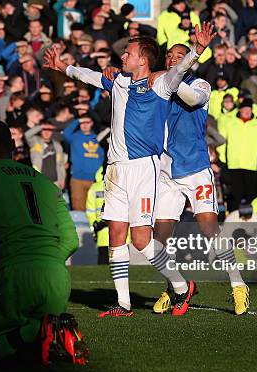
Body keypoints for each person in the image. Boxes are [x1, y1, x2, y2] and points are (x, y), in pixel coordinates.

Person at [43, 23, 215, 317]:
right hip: (115, 169)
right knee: (115, 234)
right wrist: (64, 67)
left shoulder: (160, 84)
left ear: (143, 60)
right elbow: (90, 76)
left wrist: (197, 50)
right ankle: (123, 303)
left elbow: (178, 72)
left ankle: (180, 286)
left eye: (129, 52)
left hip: (143, 169)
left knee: (140, 240)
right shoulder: (119, 81)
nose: (123, 56)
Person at [0, 121, 87, 365]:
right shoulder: (46, 183)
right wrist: (45, 263)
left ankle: (35, 330)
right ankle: (45, 327)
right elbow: (71, 240)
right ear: (14, 145)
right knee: (26, 346)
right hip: (57, 281)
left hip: (13, 277)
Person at [144, 43, 249, 316]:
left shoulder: (201, 84)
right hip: (167, 172)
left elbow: (190, 99)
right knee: (159, 238)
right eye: (170, 57)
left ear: (190, 61)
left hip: (196, 169)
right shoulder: (159, 87)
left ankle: (238, 285)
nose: (174, 60)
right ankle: (175, 287)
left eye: (181, 57)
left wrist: (169, 76)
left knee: (210, 230)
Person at [63, 116, 105, 211]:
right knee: (78, 209)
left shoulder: (98, 138)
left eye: (88, 122)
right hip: (78, 179)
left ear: (92, 124)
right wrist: (78, 120)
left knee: (96, 209)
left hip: (95, 181)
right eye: (83, 123)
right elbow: (65, 132)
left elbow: (103, 157)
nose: (85, 125)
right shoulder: (74, 137)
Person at [86, 165, 109, 264]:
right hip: (122, 236)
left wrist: (95, 227)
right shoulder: (122, 186)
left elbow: (90, 211)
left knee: (103, 268)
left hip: (102, 234)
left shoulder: (94, 188)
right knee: (121, 268)